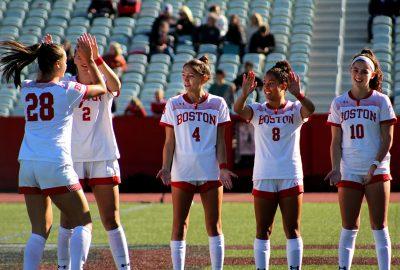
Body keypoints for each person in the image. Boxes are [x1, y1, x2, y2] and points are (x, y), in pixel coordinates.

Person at [0, 34, 107, 269]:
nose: (67, 65)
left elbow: (42, 77)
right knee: (84, 222)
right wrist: (92, 60)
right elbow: (102, 88)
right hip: (54, 162)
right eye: (64, 62)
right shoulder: (67, 89)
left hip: (27, 163)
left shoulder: (28, 88)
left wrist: (46, 50)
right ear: (58, 65)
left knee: (39, 231)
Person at [58, 34, 131, 270]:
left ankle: (124, 266)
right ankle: (63, 266)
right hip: (73, 156)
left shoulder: (102, 79)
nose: (81, 56)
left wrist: (97, 58)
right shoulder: (68, 82)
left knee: (111, 218)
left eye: (85, 51)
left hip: (102, 154)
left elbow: (116, 86)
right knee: (68, 219)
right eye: (78, 52)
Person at [157, 56, 237, 270]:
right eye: (183, 76)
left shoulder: (218, 103)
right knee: (179, 226)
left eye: (191, 76)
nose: (186, 80)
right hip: (182, 171)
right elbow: (169, 142)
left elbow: (221, 141)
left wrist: (223, 168)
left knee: (214, 225)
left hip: (210, 171)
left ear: (205, 78)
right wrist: (166, 167)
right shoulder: (173, 104)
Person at [233, 61, 315, 270]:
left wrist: (299, 94)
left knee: (292, 229)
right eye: (265, 84)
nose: (266, 88)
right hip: (264, 175)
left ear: (283, 86)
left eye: (271, 84)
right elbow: (238, 110)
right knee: (262, 229)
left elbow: (311, 109)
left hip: (290, 174)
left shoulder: (296, 109)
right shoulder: (258, 110)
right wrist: (244, 93)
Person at [325, 49, 396, 270]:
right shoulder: (339, 103)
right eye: (355, 70)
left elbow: (388, 139)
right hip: (349, 169)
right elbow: (335, 141)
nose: (359, 74)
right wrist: (335, 168)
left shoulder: (381, 101)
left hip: (377, 169)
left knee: (379, 225)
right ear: (350, 71)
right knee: (348, 226)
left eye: (364, 71)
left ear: (372, 75)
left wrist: (374, 166)